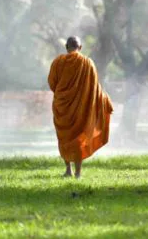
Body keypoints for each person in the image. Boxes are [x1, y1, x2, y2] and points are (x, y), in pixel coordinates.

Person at [48, 36, 113, 178]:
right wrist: (104, 100)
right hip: (81, 108)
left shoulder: (58, 62)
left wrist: (64, 95)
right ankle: (77, 173)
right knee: (78, 139)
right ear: (81, 47)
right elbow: (94, 87)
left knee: (64, 137)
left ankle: (68, 170)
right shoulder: (88, 63)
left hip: (62, 106)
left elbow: (52, 83)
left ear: (66, 47)